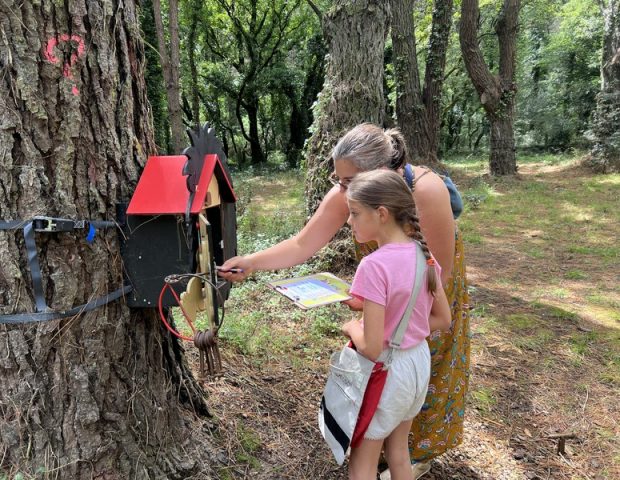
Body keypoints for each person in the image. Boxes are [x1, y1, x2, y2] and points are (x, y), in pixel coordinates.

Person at [219, 123, 471, 478]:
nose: (340, 192)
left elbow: (437, 280)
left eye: (347, 183)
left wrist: (366, 325)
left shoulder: (426, 192)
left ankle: (420, 454)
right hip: (393, 312)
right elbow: (302, 244)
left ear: (380, 179)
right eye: (337, 180)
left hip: (421, 300)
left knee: (380, 435)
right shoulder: (352, 196)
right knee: (400, 420)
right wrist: (251, 262)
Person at [342, 170, 451, 480]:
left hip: (387, 372)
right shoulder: (424, 256)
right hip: (418, 364)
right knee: (399, 453)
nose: (350, 221)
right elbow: (443, 318)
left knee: (362, 464)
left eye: (355, 213)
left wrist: (351, 326)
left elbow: (371, 346)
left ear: (381, 214)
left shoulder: (373, 265)